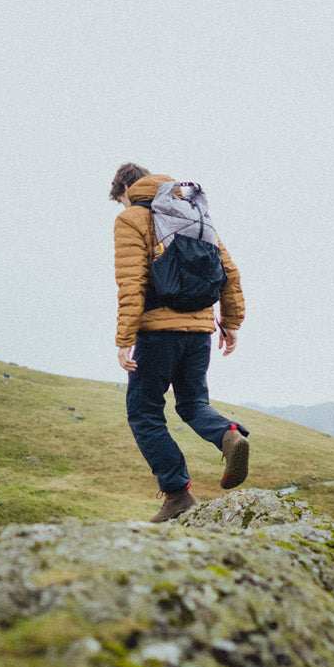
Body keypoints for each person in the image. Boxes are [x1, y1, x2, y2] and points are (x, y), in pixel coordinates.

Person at [111, 162, 249, 521]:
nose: (122, 207)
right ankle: (229, 435)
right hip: (201, 330)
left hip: (157, 332)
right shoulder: (189, 212)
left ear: (126, 189)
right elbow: (229, 271)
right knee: (191, 402)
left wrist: (124, 339)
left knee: (143, 411)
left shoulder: (132, 219)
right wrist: (230, 322)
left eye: (120, 200)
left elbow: (132, 282)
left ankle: (177, 494)